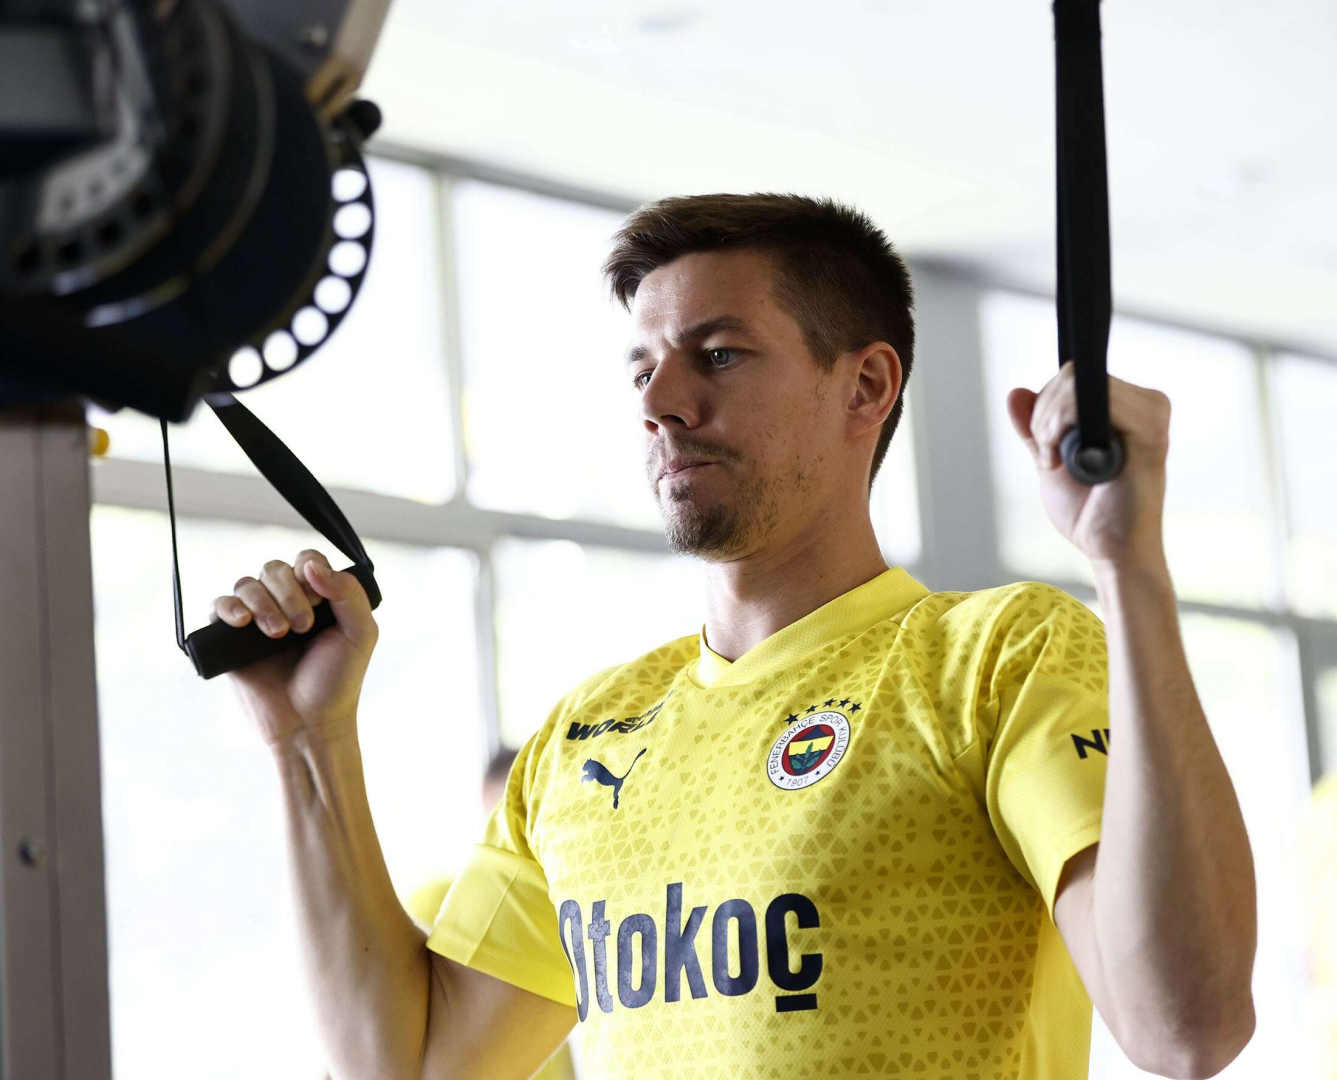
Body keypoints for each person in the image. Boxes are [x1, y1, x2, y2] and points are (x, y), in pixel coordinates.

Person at [214, 193, 1255, 1080]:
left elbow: (1186, 1027)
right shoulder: (585, 737)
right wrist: (309, 740)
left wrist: (1128, 566)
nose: (661, 402)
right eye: (642, 370)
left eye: (718, 354)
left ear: (865, 386)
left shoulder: (993, 658)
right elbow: (412, 1063)